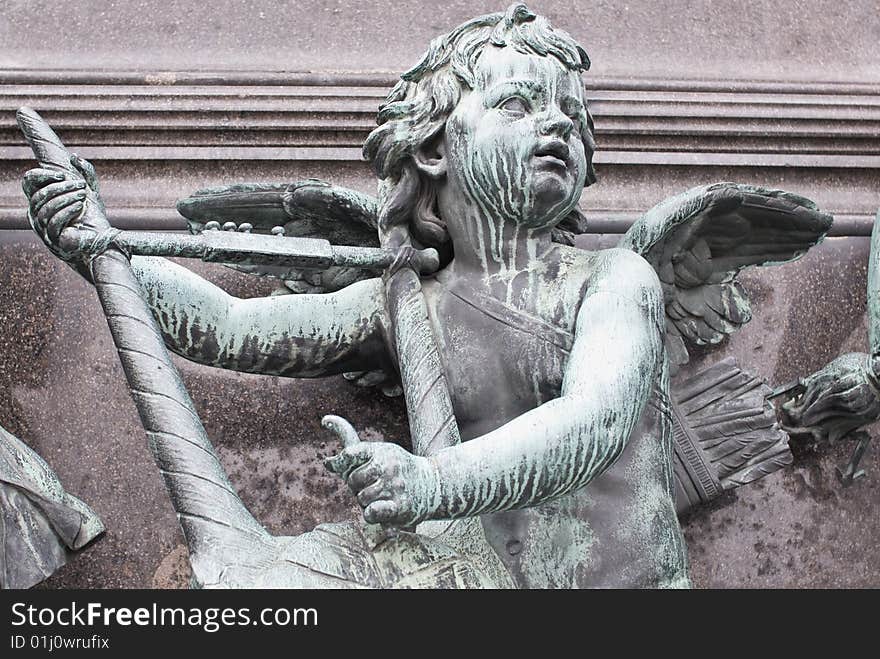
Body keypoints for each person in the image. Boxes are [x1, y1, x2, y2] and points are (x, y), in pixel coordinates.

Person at [22, 4, 689, 588]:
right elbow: (225, 326)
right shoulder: (408, 302)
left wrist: (431, 483)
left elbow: (596, 421)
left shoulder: (615, 280)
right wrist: (92, 243)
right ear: (433, 148)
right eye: (518, 103)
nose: (557, 124)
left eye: (572, 112)